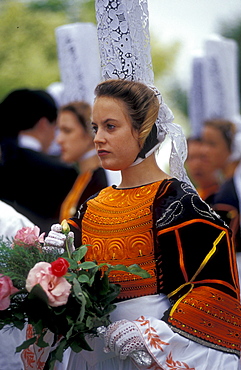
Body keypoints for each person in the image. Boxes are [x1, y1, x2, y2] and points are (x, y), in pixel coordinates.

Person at [45, 79, 241, 370]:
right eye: (95, 127)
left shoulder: (178, 203)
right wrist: (55, 259)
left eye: (111, 126)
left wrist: (153, 332)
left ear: (144, 131)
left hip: (150, 357)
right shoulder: (93, 206)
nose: (98, 138)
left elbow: (215, 289)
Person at [0, 88, 78, 232]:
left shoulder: (5, 160)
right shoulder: (61, 172)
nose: (58, 138)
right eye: (57, 128)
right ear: (43, 124)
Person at [56, 101, 120, 221]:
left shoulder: (101, 180)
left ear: (90, 133)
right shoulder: (82, 177)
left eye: (67, 130)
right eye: (58, 131)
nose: (59, 139)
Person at [185, 137, 219, 204]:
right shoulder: (190, 200)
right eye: (191, 158)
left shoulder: (226, 195)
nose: (196, 164)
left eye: (203, 157)